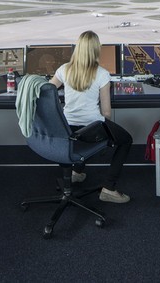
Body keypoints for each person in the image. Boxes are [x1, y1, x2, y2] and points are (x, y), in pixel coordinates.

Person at [49, 30, 133, 203]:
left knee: (79, 139)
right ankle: (109, 188)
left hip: (66, 129)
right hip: (91, 130)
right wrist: (108, 134)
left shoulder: (64, 69)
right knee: (126, 140)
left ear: (77, 48)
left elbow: (46, 92)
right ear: (96, 50)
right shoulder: (102, 74)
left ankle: (77, 173)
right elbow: (106, 112)